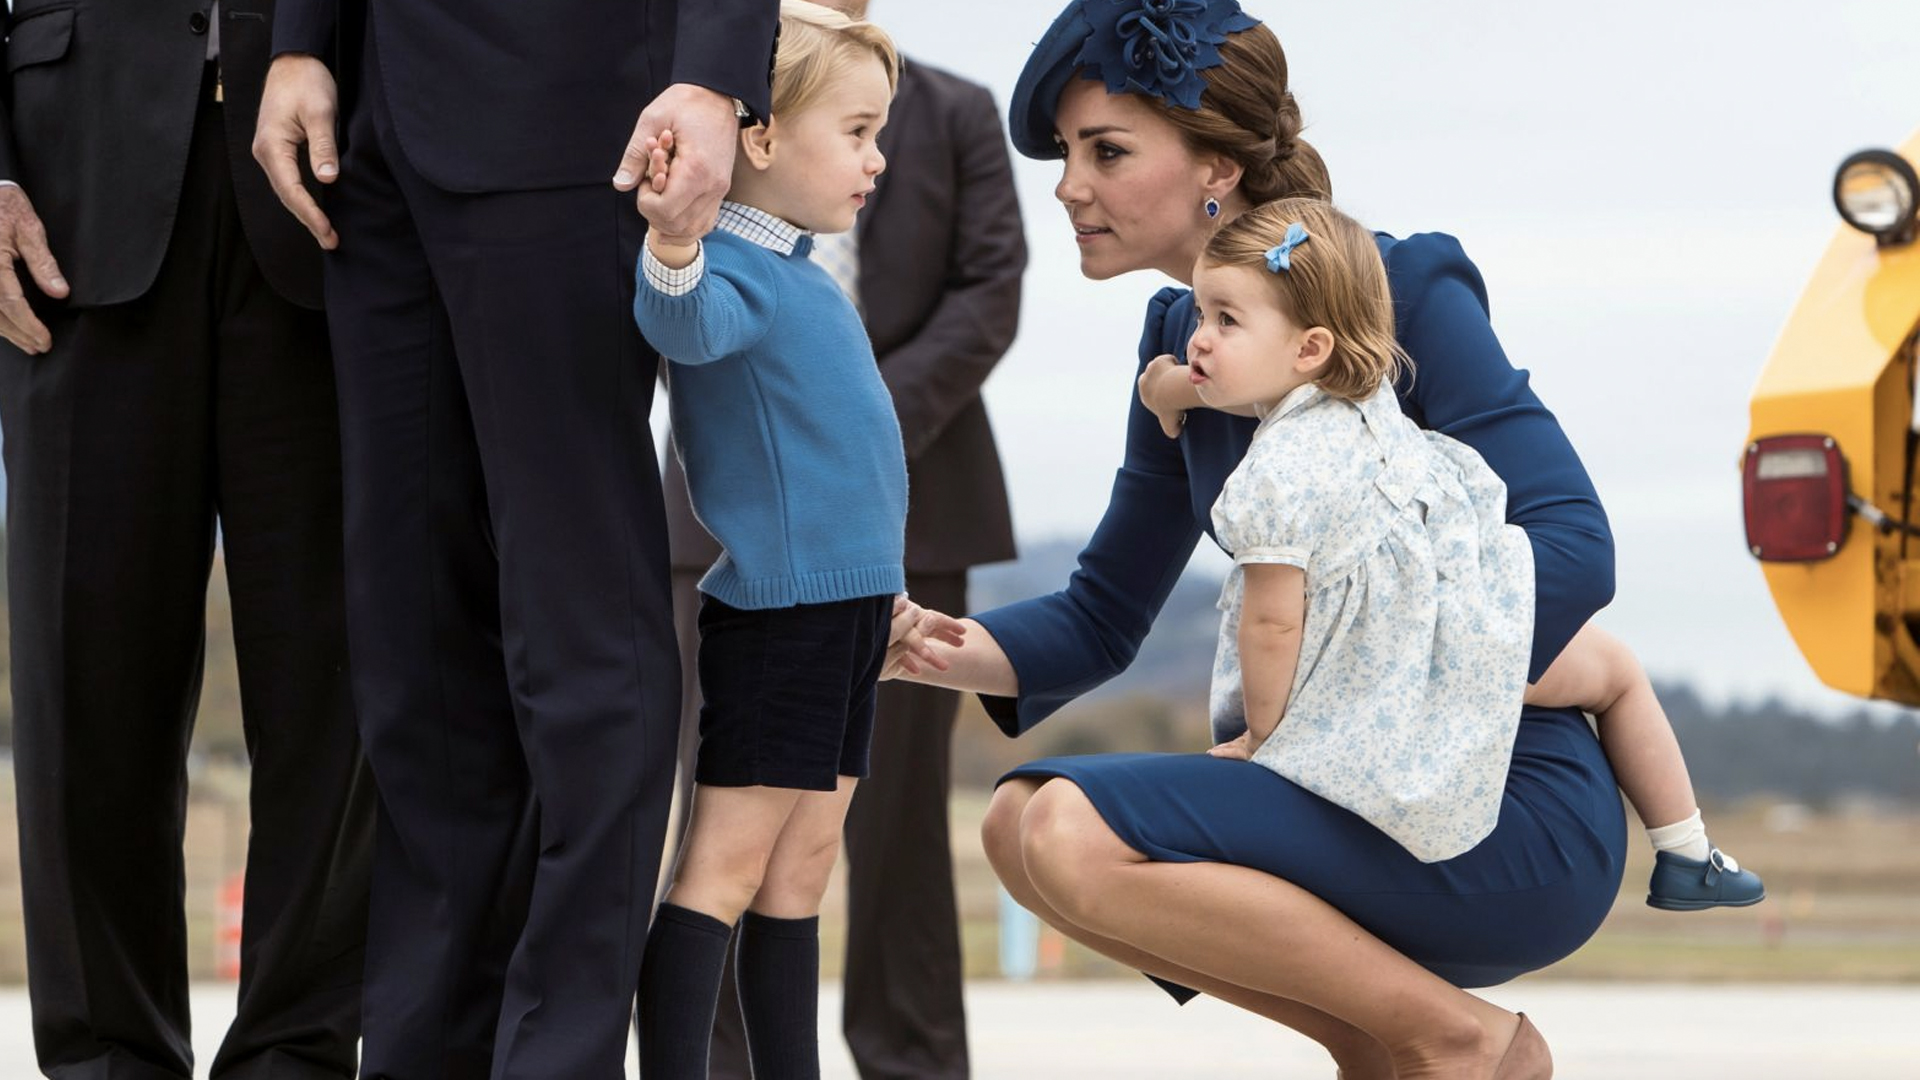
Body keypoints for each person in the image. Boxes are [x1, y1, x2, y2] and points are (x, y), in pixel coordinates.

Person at [889, 1, 1636, 1075]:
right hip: (1337, 789)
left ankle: (1459, 1042)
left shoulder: (1393, 288)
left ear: (1216, 169)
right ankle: (1383, 1049)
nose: (1068, 184)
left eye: (1106, 151)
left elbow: (1575, 541)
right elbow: (1104, 616)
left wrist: (1385, 686)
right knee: (1018, 829)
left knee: (1067, 826)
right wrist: (920, 648)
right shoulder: (1176, 343)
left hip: (1493, 803)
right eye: (1066, 154)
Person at [251, 0, 777, 1074]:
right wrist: (301, 39)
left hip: (567, 103)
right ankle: (425, 1050)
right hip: (372, 126)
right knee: (410, 637)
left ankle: (559, 1053)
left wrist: (716, 77)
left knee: (579, 625)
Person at [1140, 197, 1763, 908]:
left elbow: (1274, 624)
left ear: (1309, 351)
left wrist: (1263, 736)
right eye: (1199, 317)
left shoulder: (1273, 470)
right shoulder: (1362, 392)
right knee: (1616, 672)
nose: (1199, 341)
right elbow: (1222, 393)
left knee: (1605, 673)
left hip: (1364, 658)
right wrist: (1169, 386)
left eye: (1225, 320)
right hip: (1435, 630)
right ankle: (1686, 852)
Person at [0, 3, 373, 1078]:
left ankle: (297, 1058)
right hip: (66, 197)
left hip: (333, 191)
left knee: (336, 678)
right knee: (85, 669)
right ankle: (108, 1059)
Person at [657, 0, 1026, 1073]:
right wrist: (675, 234)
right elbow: (681, 320)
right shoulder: (729, 268)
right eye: (857, 134)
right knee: (722, 868)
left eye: (879, 134)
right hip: (780, 620)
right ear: (759, 137)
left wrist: (878, 595)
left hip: (851, 610)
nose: (877, 159)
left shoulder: (799, 272)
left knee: (804, 869)